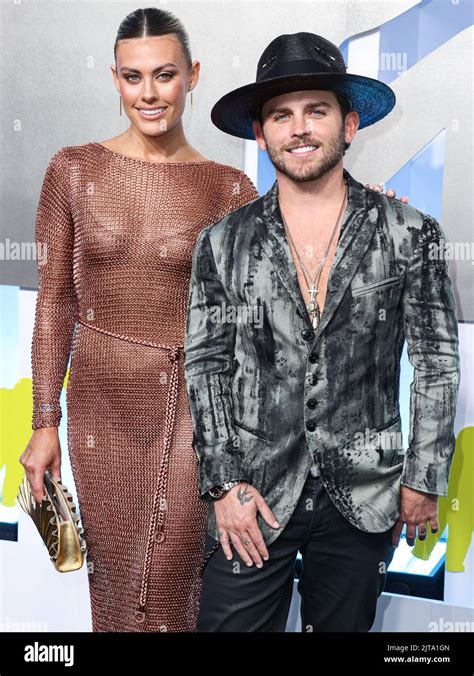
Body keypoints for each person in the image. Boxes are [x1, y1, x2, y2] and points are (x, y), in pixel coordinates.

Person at [183, 32, 460, 632]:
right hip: (253, 494)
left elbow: (437, 361)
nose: (299, 128)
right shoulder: (223, 243)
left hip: (365, 493)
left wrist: (423, 476)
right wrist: (223, 484)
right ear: (261, 133)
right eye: (281, 115)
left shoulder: (410, 233)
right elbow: (206, 368)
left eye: (316, 110)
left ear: (349, 124)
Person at [19, 7, 259, 632]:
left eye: (164, 75)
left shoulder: (229, 188)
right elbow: (55, 303)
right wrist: (45, 421)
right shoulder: (72, 169)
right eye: (133, 77)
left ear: (193, 75)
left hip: (186, 405)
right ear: (115, 79)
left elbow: (255, 309)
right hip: (100, 409)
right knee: (117, 579)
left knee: (172, 569)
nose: (148, 94)